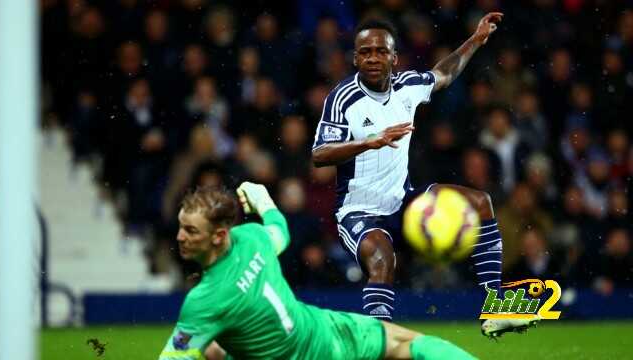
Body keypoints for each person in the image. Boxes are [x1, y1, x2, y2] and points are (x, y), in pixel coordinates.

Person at [311, 14, 537, 336]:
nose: (372, 58)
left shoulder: (408, 86)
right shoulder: (342, 98)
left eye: (379, 51)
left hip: (403, 201)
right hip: (358, 211)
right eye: (365, 52)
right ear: (355, 57)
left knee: (480, 202)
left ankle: (495, 307)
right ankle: (379, 345)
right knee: (382, 261)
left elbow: (443, 74)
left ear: (393, 57)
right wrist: (368, 142)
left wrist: (475, 40)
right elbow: (319, 155)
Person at [158, 183, 477, 359]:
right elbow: (279, 228)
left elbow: (175, 357)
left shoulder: (205, 300)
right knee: (408, 346)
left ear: (218, 236)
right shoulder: (251, 238)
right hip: (320, 333)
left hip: (314, 340)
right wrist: (262, 198)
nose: (180, 237)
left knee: (214, 349)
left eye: (190, 230)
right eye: (181, 228)